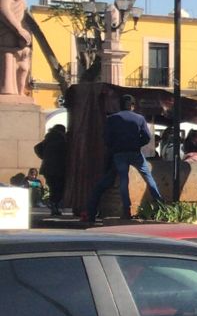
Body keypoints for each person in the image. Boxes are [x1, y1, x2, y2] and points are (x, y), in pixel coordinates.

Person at [85, 94, 163, 223]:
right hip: (135, 152)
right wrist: (137, 144)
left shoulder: (112, 119)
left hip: (119, 153)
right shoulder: (139, 118)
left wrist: (115, 146)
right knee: (148, 177)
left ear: (120, 105)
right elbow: (147, 137)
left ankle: (126, 209)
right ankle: (160, 203)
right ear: (132, 106)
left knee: (123, 180)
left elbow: (106, 137)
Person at [34, 123, 68, 216]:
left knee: (53, 188)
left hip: (47, 169)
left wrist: (44, 157)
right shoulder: (62, 139)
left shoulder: (49, 138)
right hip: (58, 169)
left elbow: (37, 148)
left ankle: (54, 206)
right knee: (59, 188)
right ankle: (54, 205)